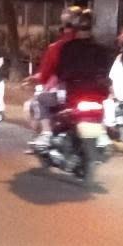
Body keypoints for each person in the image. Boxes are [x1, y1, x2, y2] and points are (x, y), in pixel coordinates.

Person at [24, 15, 82, 147]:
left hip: (63, 93)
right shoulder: (91, 48)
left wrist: (42, 80)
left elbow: (47, 72)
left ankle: (46, 133)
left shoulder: (57, 47)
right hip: (89, 92)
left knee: (39, 100)